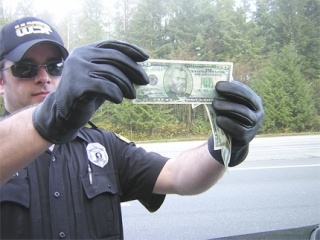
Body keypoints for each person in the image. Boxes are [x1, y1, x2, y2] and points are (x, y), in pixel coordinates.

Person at [0, 17, 264, 239]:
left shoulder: (102, 144)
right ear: (1, 82)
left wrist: (224, 146)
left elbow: (178, 176)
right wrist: (50, 119)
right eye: (26, 68)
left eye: (56, 66)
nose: (44, 77)